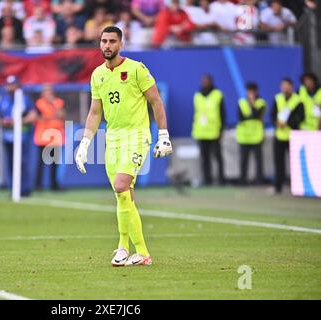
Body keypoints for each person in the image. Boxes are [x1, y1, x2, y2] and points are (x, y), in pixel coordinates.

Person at [75, 26, 173, 267]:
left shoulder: (137, 69)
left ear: (121, 44)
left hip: (137, 136)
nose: (107, 45)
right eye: (103, 41)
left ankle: (137, 251)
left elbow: (156, 101)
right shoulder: (97, 75)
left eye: (112, 41)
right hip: (113, 140)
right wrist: (85, 143)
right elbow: (95, 112)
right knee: (123, 196)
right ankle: (127, 249)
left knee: (121, 185)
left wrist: (163, 135)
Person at [0, 75, 37, 197]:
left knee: (23, 163)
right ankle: (14, 188)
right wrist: (3, 122)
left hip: (22, 137)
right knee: (10, 164)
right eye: (8, 85)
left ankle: (25, 188)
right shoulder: (3, 100)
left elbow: (33, 115)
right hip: (8, 137)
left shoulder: (24, 99)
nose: (10, 87)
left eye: (12, 85)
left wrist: (19, 122)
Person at [271, 78, 305, 194]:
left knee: (295, 163)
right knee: (279, 162)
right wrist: (277, 123)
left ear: (292, 86)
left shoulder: (298, 100)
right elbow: (272, 115)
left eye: (287, 85)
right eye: (283, 85)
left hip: (293, 136)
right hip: (280, 135)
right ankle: (278, 186)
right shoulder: (278, 98)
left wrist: (288, 123)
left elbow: (301, 117)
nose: (285, 88)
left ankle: (296, 187)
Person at [191, 74, 226, 186]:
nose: (204, 83)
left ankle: (221, 179)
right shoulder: (197, 96)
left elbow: (223, 113)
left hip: (214, 131)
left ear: (211, 82)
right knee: (204, 159)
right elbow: (195, 113)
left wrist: (221, 130)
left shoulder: (218, 95)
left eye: (206, 81)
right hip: (201, 131)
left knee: (217, 157)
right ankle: (207, 180)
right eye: (203, 81)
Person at [34, 84, 65, 191]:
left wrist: (53, 105)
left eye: (50, 91)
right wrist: (51, 116)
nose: (48, 94)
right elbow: (39, 117)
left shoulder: (58, 102)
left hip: (56, 137)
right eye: (46, 92)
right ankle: (38, 185)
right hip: (43, 137)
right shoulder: (39, 103)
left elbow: (61, 115)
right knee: (41, 163)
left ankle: (54, 185)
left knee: (54, 163)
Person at [235, 82, 266, 185]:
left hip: (256, 136)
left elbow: (257, 115)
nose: (250, 93)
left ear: (256, 92)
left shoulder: (261, 103)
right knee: (243, 160)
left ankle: (259, 180)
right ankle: (243, 180)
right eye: (249, 91)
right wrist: (250, 115)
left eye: (252, 91)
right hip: (244, 136)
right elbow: (240, 117)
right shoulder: (241, 102)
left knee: (258, 160)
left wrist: (252, 104)